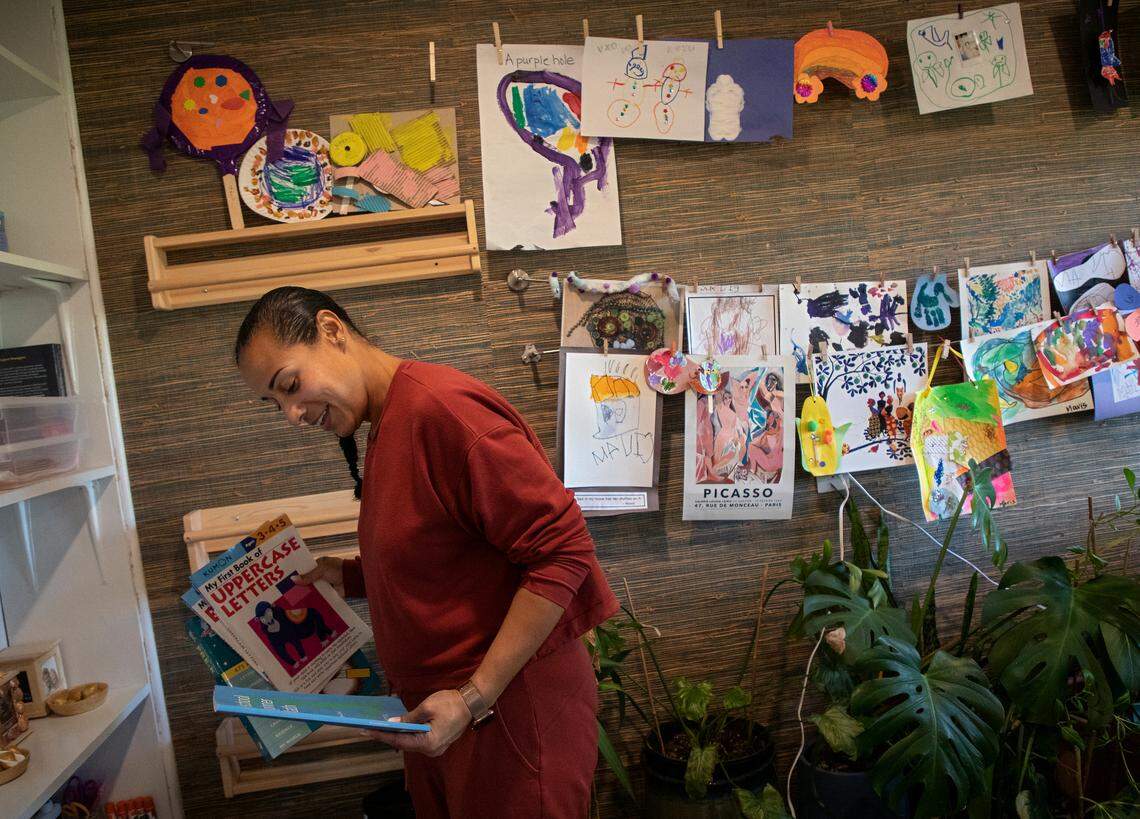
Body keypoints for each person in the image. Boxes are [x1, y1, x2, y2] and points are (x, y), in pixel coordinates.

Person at [233, 286, 619, 817]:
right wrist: (342, 577)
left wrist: (473, 698)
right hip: (450, 715)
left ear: (331, 330)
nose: (292, 415)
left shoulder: (440, 410)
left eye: (291, 385)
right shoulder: (389, 421)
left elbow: (563, 551)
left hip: (507, 711)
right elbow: (442, 553)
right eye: (275, 403)